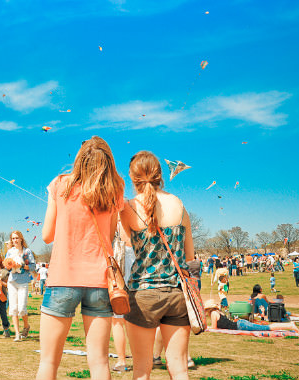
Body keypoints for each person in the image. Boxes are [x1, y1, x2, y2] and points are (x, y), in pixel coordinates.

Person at [36, 136, 125, 380]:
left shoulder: (60, 184)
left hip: (62, 278)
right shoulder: (115, 189)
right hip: (100, 281)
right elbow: (110, 234)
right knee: (99, 362)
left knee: (49, 362)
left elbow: (46, 235)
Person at [119, 150, 193, 380]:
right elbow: (189, 255)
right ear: (160, 174)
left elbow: (125, 241)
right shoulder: (178, 204)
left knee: (142, 369)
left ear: (133, 178)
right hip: (177, 293)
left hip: (143, 294)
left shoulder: (128, 207)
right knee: (179, 368)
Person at [111, 223, 135, 373]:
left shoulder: (114, 224)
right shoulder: (137, 221)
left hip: (120, 276)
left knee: (118, 321)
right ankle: (140, 359)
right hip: (139, 276)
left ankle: (121, 360)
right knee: (134, 322)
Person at [5, 230, 36, 341]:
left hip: (23, 282)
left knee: (22, 308)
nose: (15, 240)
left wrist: (22, 265)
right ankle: (17, 334)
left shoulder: (27, 252)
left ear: (21, 239)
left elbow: (33, 266)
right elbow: (6, 266)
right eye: (13, 238)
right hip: (12, 281)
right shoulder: (9, 252)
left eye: (17, 238)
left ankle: (26, 326)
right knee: (13, 308)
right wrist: (10, 265)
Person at [204, 300, 299, 331]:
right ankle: (289, 325)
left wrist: (206, 329)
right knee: (265, 327)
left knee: (266, 328)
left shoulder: (213, 314)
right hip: (240, 323)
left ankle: (290, 325)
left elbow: (214, 328)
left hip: (241, 325)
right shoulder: (218, 312)